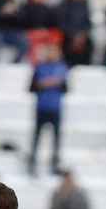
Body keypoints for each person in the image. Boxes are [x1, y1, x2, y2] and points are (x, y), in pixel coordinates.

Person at [29, 42, 68, 177]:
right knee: (37, 138)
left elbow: (66, 88)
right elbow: (31, 87)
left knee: (56, 140)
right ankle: (32, 164)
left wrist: (58, 83)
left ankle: (54, 164)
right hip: (42, 107)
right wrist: (44, 83)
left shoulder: (62, 68)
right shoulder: (39, 68)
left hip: (55, 108)